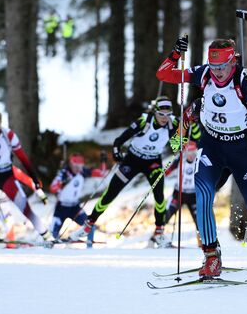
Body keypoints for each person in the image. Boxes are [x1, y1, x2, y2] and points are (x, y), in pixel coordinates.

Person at [156, 37, 247, 282]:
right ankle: (211, 257)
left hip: (240, 151)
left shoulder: (243, 79)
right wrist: (175, 54)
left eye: (222, 66)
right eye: (214, 66)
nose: (217, 72)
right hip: (212, 149)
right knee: (203, 196)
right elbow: (164, 75)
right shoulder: (203, 73)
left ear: (233, 61)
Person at [68, 96, 180, 248]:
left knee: (160, 197)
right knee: (111, 192)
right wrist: (116, 153)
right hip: (133, 159)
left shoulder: (173, 124)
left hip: (153, 162)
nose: (165, 119)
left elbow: (176, 146)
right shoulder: (144, 121)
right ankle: (87, 226)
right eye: (161, 115)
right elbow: (119, 140)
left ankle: (159, 233)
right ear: (155, 113)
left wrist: (180, 140)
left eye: (168, 115)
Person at [0, 109, 53, 242]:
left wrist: (33, 177)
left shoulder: (9, 135)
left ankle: (47, 236)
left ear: (1, 124)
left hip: (7, 177)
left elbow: (23, 158)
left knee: (26, 208)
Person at [49, 153, 95, 246]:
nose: (78, 168)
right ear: (71, 163)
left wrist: (103, 163)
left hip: (75, 207)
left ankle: (89, 249)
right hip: (61, 207)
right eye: (76, 166)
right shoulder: (64, 173)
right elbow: (52, 188)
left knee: (90, 227)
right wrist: (61, 182)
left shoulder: (82, 172)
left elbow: (101, 173)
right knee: (53, 233)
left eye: (80, 166)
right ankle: (52, 251)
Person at [163, 140, 200, 245]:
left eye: (193, 153)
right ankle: (156, 237)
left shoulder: (199, 160)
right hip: (179, 193)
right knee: (168, 213)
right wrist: (161, 175)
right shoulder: (180, 160)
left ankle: (202, 243)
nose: (191, 156)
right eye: (189, 153)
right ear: (185, 153)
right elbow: (168, 170)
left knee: (198, 219)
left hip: (193, 194)